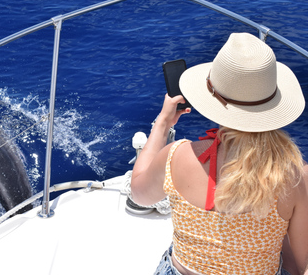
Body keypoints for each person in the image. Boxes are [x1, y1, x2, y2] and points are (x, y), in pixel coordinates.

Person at [130, 33, 308, 275]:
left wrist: (163, 122)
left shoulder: (176, 157)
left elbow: (139, 194)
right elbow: (300, 265)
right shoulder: (294, 178)